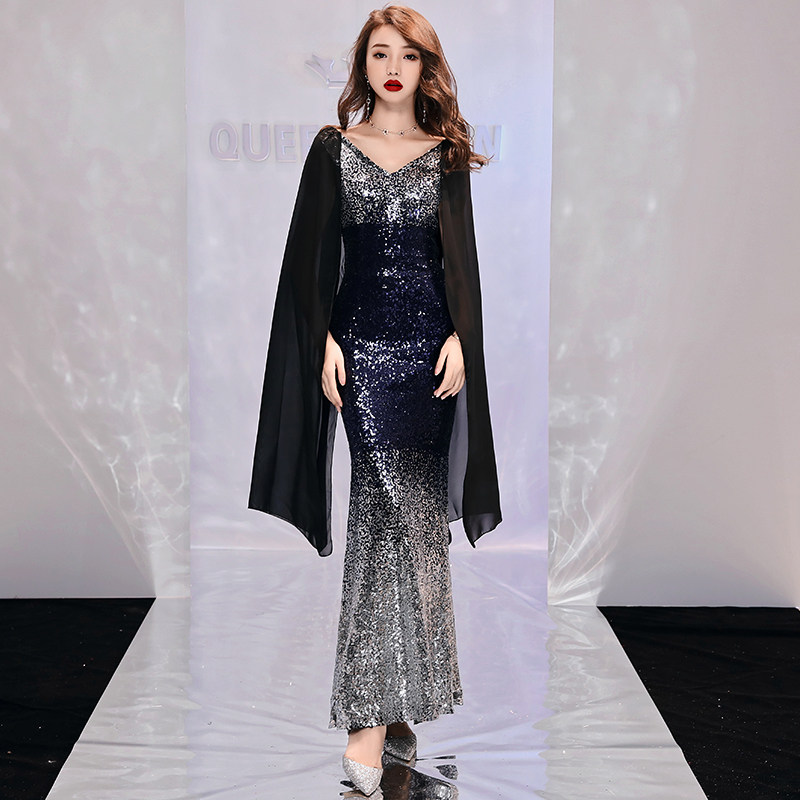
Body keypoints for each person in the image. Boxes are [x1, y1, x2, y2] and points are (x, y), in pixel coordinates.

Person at [248, 5, 501, 796]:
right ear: (364, 64)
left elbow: (460, 264)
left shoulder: (445, 155)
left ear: (427, 69)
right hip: (361, 353)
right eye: (381, 54)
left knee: (417, 531)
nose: (394, 68)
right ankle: (366, 715)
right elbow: (307, 262)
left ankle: (396, 711)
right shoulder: (335, 149)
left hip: (428, 359)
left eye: (409, 56)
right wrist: (322, 339)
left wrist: (462, 339)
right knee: (380, 514)